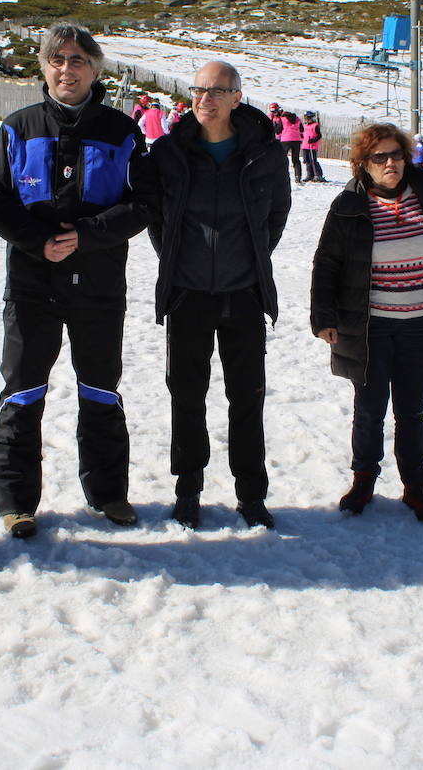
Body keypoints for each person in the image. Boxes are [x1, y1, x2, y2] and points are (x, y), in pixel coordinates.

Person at [0, 23, 146, 540]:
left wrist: (90, 234)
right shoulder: (18, 127)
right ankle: (16, 503)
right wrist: (37, 240)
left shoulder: (123, 131)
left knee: (100, 389)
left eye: (77, 60)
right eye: (57, 59)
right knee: (23, 391)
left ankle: (108, 493)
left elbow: (142, 204)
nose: (66, 69)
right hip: (32, 286)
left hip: (98, 286)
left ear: (95, 69)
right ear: (44, 67)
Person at [135, 60, 291, 530]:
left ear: (237, 97)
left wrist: (250, 260)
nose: (207, 98)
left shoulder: (264, 152)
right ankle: (188, 489)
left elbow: (276, 216)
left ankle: (251, 493)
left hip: (243, 294)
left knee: (247, 397)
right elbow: (157, 217)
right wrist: (179, 260)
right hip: (188, 294)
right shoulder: (168, 151)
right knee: (186, 396)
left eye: (218, 90)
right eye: (200, 89)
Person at [310, 123, 423, 522]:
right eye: (379, 157)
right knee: (369, 409)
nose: (390, 163)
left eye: (396, 155)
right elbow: (326, 262)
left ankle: (415, 487)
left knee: (412, 410)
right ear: (364, 164)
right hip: (368, 327)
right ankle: (363, 479)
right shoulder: (348, 205)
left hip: (420, 324)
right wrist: (323, 316)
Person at [301, 110, 326, 182]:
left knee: (313, 161)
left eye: (308, 118)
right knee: (307, 161)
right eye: (305, 118)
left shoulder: (315, 125)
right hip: (305, 145)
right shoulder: (305, 125)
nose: (306, 120)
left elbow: (319, 135)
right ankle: (310, 175)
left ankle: (318, 175)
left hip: (312, 146)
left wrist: (313, 140)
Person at [279, 110, 304, 183]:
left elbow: (278, 130)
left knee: (282, 158)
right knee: (296, 160)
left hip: (285, 140)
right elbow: (302, 129)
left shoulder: (283, 119)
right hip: (296, 140)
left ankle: (281, 175)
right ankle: (298, 177)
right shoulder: (297, 119)